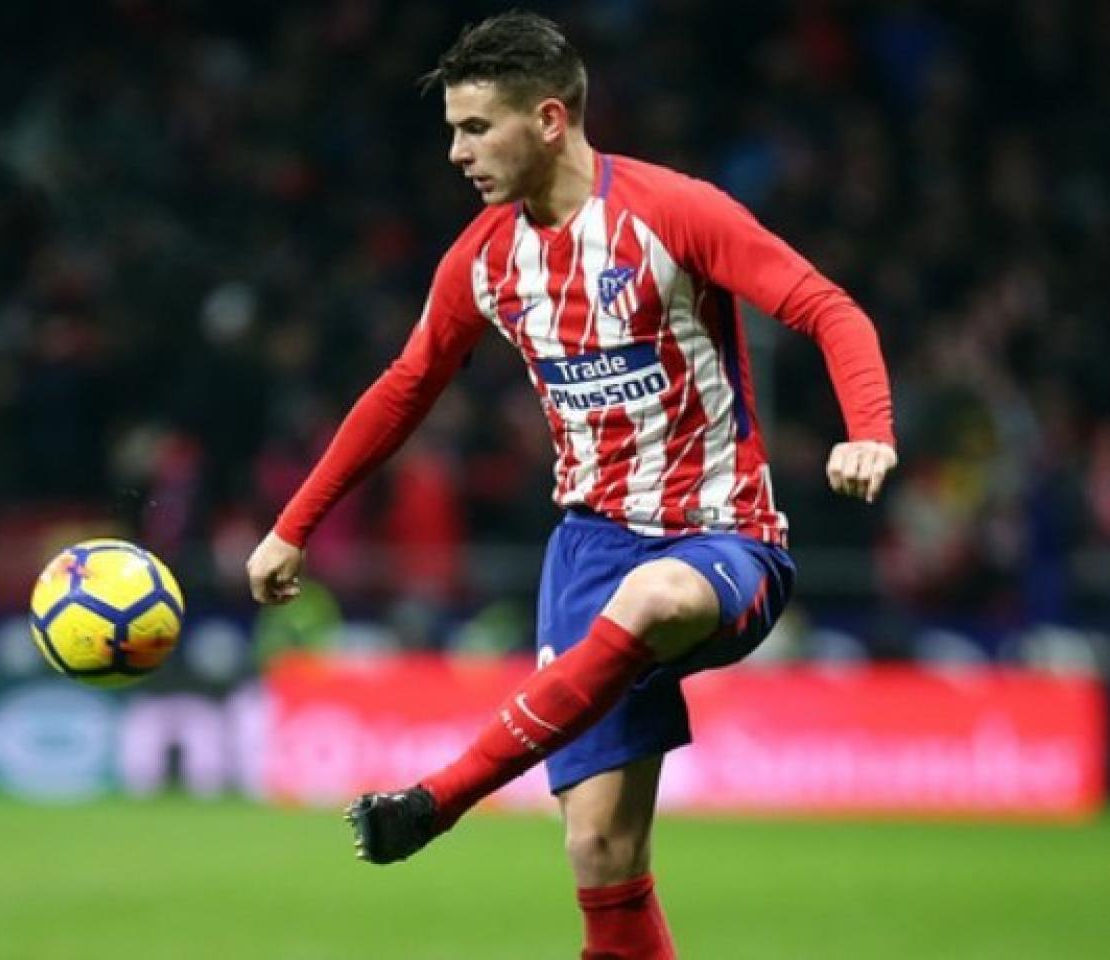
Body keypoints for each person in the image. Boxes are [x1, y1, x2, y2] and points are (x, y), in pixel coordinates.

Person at [245, 12, 896, 958]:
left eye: (477, 128)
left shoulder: (676, 212)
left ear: (549, 118)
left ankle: (440, 798)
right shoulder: (483, 258)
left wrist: (869, 432)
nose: (458, 153)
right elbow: (405, 387)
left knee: (656, 594)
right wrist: (293, 524)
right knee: (601, 851)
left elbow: (830, 310)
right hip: (589, 547)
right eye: (452, 133)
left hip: (722, 535)